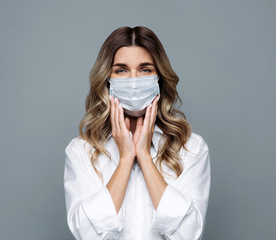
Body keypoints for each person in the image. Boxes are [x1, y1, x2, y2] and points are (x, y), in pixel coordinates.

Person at [64, 26, 211, 240]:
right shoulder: (81, 151)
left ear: (159, 77)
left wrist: (144, 155)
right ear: (107, 79)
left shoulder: (191, 149)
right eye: (121, 70)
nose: (133, 81)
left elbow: (188, 234)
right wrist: (125, 159)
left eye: (144, 69)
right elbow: (86, 234)